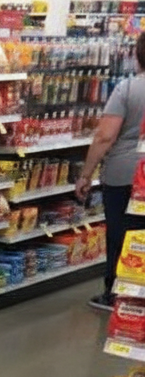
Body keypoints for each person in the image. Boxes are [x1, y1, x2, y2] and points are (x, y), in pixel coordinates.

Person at [75, 32, 145, 310]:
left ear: (137, 55)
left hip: (125, 173)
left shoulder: (127, 89)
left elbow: (105, 136)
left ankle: (117, 293)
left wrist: (85, 174)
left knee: (121, 232)